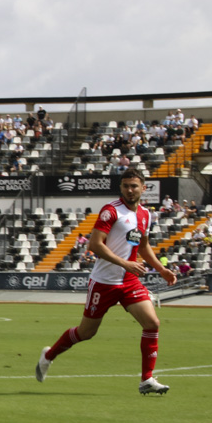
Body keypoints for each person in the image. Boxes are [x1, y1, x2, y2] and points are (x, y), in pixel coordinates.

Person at [35, 168, 177, 395]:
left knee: (152, 323)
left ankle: (146, 380)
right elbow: (95, 245)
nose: (130, 190)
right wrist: (125, 263)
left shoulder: (145, 215)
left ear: (143, 188)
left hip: (129, 281)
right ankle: (48, 355)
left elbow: (142, 246)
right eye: (125, 186)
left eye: (134, 186)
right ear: (121, 188)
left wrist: (161, 269)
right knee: (86, 332)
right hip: (104, 281)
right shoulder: (111, 211)